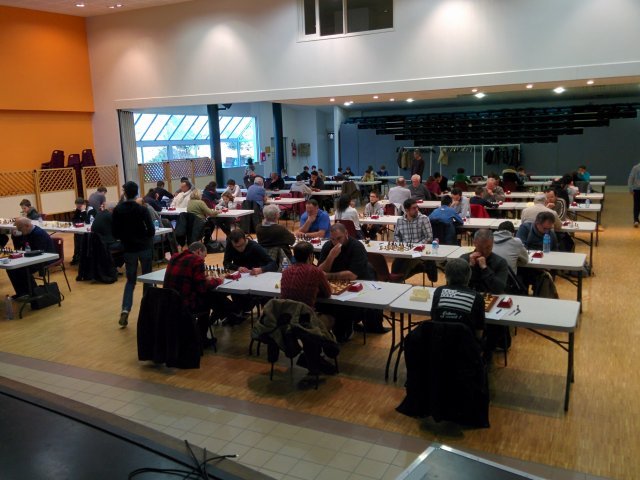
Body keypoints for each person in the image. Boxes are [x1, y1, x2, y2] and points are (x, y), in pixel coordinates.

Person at [163, 241, 224, 349]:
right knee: (208, 300)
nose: (204, 259)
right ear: (199, 251)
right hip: (185, 304)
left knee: (209, 298)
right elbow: (202, 288)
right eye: (204, 256)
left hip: (168, 302)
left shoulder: (175, 257)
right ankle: (201, 339)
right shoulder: (197, 260)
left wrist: (202, 278)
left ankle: (226, 313)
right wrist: (218, 280)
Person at [112, 181, 154, 328]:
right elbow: (151, 230)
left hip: (129, 248)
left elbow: (115, 232)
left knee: (130, 281)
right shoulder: (142, 209)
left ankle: (125, 309)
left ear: (125, 193)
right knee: (148, 278)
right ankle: (147, 310)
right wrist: (145, 236)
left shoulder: (118, 210)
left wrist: (125, 237)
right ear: (136, 193)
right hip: (144, 247)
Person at [430, 259, 485, 340]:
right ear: (469, 275)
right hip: (466, 345)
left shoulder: (439, 291)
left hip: (438, 343)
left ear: (446, 276)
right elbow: (479, 334)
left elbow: (433, 317)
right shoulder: (477, 297)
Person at [7, 218, 56, 298]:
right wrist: (15, 237)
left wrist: (23, 258)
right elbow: (22, 246)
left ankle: (33, 292)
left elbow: (40, 252)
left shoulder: (38, 234)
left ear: (27, 226)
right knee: (11, 269)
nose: (19, 231)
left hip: (46, 258)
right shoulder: (28, 232)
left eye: (20, 228)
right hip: (33, 257)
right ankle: (22, 293)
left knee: (22, 269)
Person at [281, 241, 331, 309]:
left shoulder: (286, 271)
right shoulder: (316, 271)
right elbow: (327, 294)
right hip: (304, 314)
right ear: (310, 256)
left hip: (284, 312)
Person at [391, 198, 433, 278]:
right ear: (406, 210)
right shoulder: (400, 220)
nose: (417, 209)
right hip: (404, 250)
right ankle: (417, 269)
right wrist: (400, 244)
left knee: (405, 265)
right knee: (396, 264)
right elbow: (396, 235)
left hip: (418, 251)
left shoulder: (423, 218)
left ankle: (400, 279)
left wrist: (415, 246)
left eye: (417, 207)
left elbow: (429, 237)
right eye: (414, 208)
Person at [460, 229, 509, 295]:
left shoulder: (500, 262)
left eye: (488, 247)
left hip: (490, 297)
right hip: (467, 296)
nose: (484, 251)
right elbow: (457, 286)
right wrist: (470, 267)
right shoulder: (464, 259)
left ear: (492, 243)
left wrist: (485, 268)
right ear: (474, 243)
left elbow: (499, 289)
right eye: (480, 247)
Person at [70, 197, 96, 265]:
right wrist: (77, 222)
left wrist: (83, 211)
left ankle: (84, 259)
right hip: (80, 229)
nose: (78, 208)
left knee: (81, 240)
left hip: (89, 231)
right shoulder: (78, 209)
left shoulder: (91, 210)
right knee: (77, 240)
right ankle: (77, 257)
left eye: (79, 206)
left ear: (83, 204)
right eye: (77, 206)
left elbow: (88, 222)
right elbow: (74, 219)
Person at [629, 161, 640, 227]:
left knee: (637, 205)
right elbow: (631, 178)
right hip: (637, 189)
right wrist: (631, 188)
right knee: (636, 205)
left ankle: (636, 220)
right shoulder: (635, 168)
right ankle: (636, 220)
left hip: (636, 189)